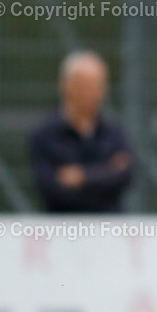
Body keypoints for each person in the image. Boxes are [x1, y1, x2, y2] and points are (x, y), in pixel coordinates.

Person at [31, 50, 135, 213]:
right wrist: (105, 173)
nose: (91, 92)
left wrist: (81, 176)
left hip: (109, 229)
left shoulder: (113, 131)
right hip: (63, 229)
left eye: (97, 85)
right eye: (84, 84)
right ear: (66, 86)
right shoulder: (45, 134)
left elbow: (126, 175)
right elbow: (51, 188)